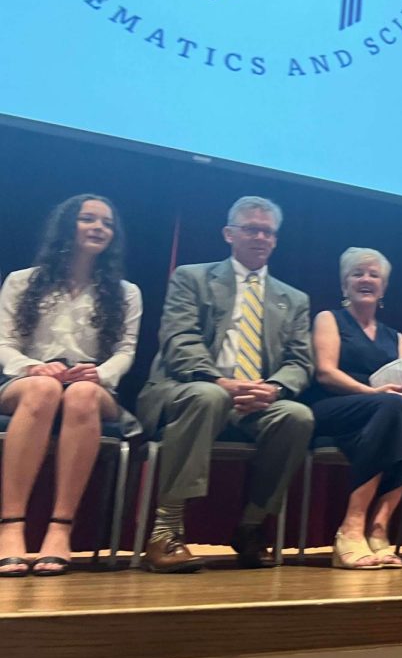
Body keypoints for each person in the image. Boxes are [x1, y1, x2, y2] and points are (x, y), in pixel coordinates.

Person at [137, 196, 314, 573]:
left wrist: (274, 389)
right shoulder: (192, 277)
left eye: (268, 232)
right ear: (229, 234)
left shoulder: (294, 299)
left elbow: (300, 362)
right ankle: (166, 530)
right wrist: (221, 382)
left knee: (297, 416)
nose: (261, 237)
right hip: (189, 388)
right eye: (251, 229)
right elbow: (178, 340)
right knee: (208, 396)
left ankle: (251, 527)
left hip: (257, 400)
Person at [0, 195, 142, 577]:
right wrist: (34, 367)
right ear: (67, 225)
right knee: (43, 391)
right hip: (28, 381)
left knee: (80, 395)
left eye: (107, 223)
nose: (98, 228)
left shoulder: (126, 293)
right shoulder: (22, 281)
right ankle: (11, 528)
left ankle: (60, 530)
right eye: (88, 219)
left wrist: (100, 374)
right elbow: (4, 344)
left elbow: (126, 352)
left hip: (92, 386)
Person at [307, 248, 402, 570]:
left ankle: (379, 527)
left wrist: (398, 395)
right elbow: (325, 372)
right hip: (333, 407)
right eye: (357, 273)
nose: (365, 279)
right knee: (390, 404)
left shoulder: (396, 337)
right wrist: (372, 392)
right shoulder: (329, 319)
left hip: (383, 412)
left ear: (383, 287)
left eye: (373, 275)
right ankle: (351, 527)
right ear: (344, 284)